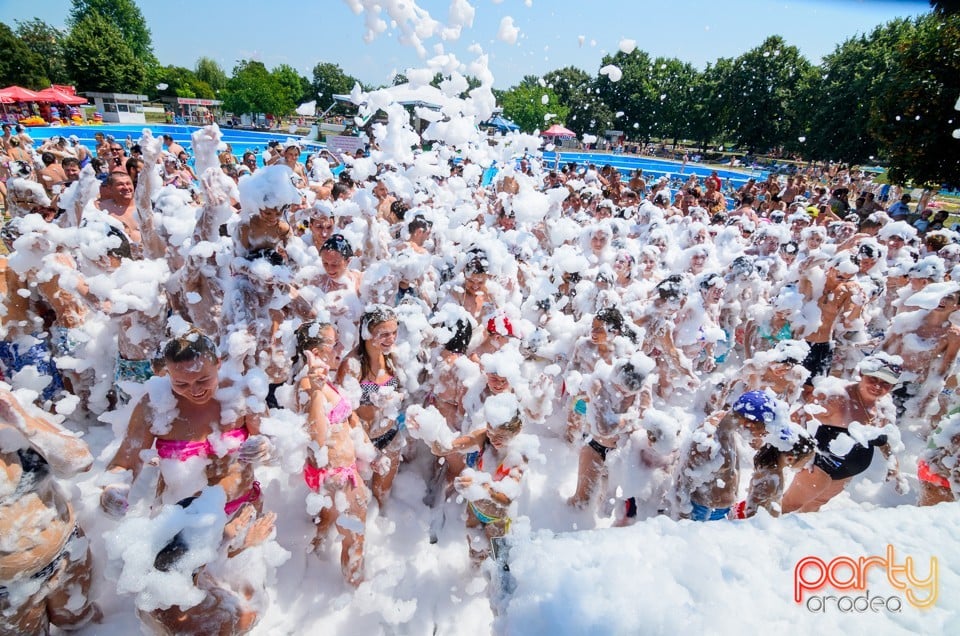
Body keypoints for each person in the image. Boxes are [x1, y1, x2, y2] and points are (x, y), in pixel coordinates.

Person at [100, 330, 271, 518]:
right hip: (177, 518)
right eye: (181, 383)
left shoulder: (242, 393)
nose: (195, 390)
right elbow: (126, 462)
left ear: (218, 363)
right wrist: (113, 488)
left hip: (239, 509)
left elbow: (276, 445)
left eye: (203, 380)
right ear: (168, 372)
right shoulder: (156, 404)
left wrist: (265, 446)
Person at [0, 386, 101, 634]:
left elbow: (80, 461)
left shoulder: (10, 416)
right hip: (10, 592)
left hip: (69, 555)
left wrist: (27, 424)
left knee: (85, 623)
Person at [781, 354, 907, 514]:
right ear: (861, 374)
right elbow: (796, 417)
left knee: (815, 505)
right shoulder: (838, 398)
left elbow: (884, 438)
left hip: (846, 473)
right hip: (820, 468)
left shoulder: (883, 406)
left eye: (885, 383)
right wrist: (803, 455)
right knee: (789, 506)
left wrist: (893, 464)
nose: (877, 386)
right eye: (873, 379)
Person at [295, 322, 369, 585]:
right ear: (315, 349)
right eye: (333, 343)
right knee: (355, 538)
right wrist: (315, 391)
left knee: (327, 523)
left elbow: (344, 418)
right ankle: (355, 589)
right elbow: (316, 437)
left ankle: (307, 568)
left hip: (337, 472)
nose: (340, 347)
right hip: (337, 475)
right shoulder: (308, 384)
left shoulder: (322, 379)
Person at [337, 306, 404, 509]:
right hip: (362, 444)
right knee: (360, 501)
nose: (391, 339)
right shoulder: (352, 365)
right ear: (367, 333)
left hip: (390, 436)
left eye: (394, 332)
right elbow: (344, 413)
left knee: (382, 495)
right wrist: (369, 451)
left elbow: (404, 389)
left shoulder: (393, 358)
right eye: (383, 334)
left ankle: (382, 527)